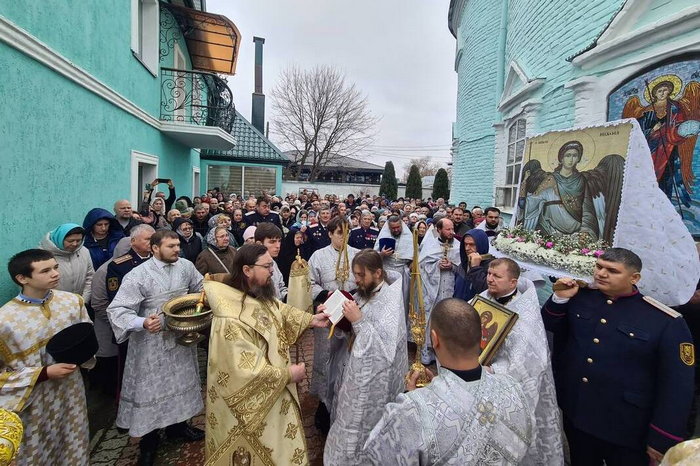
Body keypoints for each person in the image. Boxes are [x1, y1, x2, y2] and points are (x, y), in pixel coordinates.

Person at [542, 248, 695, 465]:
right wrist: (559, 298)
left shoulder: (664, 320)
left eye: (612, 271)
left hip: (627, 427)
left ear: (634, 278)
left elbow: (677, 386)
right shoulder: (582, 299)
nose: (601, 274)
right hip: (579, 414)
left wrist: (662, 438)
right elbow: (551, 326)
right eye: (599, 267)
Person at [361, 298, 533, 465]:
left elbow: (377, 456)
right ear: (481, 339)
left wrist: (415, 400)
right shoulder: (514, 388)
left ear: (434, 339)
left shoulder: (411, 410)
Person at [203, 244, 330, 465]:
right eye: (267, 266)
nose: (272, 271)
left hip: (275, 392)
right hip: (251, 409)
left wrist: (311, 320)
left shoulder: (256, 292)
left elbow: (277, 310)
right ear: (247, 270)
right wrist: (287, 374)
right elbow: (240, 372)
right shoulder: (229, 319)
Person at [107, 230, 205, 465]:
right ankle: (148, 443)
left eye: (178, 245)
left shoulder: (186, 266)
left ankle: (178, 428)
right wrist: (142, 322)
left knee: (181, 383)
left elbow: (201, 288)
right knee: (151, 391)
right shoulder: (137, 275)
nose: (177, 249)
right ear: (154, 248)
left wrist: (197, 311)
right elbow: (117, 310)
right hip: (151, 344)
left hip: (181, 339)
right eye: (171, 246)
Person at [0, 249, 92, 465]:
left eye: (55, 267)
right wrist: (43, 373)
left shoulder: (72, 302)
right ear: (22, 278)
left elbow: (85, 337)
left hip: (71, 391)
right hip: (32, 401)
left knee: (74, 442)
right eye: (46, 271)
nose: (55, 274)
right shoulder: (5, 321)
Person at [324, 249, 409, 464]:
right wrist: (337, 316)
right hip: (354, 371)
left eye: (362, 275)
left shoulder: (391, 302)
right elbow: (353, 329)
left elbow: (383, 351)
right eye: (356, 275)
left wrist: (358, 320)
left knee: (363, 425)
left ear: (378, 273)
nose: (357, 280)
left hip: (374, 385)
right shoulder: (366, 291)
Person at [479, 258, 564, 464]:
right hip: (480, 376)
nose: (490, 279)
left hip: (507, 382)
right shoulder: (482, 298)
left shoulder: (526, 311)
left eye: (497, 276)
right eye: (489, 274)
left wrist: (494, 370)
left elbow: (530, 360)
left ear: (513, 282)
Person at [308, 216, 359, 433]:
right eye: (339, 233)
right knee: (325, 359)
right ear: (330, 234)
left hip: (351, 318)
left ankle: (344, 405)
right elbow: (308, 283)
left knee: (347, 361)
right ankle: (323, 407)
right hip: (327, 317)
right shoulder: (318, 256)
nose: (343, 237)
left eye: (346, 233)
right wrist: (326, 294)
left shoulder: (357, 254)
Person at [523, 141, 599, 239]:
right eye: (568, 155)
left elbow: (587, 208)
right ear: (561, 159)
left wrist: (585, 230)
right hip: (551, 230)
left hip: (575, 233)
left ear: (578, 159)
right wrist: (524, 185)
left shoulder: (581, 180)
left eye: (575, 156)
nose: (571, 159)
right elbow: (534, 201)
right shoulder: (551, 179)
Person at [418, 219, 460, 364]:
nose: (451, 232)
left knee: (446, 319)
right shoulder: (430, 245)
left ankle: (443, 353)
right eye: (448, 229)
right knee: (431, 318)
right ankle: (427, 352)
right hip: (432, 288)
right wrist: (437, 265)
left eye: (452, 229)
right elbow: (422, 265)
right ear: (439, 230)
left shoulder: (458, 245)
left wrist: (452, 266)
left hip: (449, 286)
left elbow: (462, 267)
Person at [39, 223, 94, 301]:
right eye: (70, 241)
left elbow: (90, 277)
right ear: (59, 238)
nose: (75, 244)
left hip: (79, 302)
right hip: (53, 304)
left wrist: (83, 300)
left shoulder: (84, 251)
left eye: (78, 240)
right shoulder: (41, 256)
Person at [374, 215, 412, 318]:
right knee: (386, 301)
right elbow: (373, 256)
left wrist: (411, 265)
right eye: (393, 228)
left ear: (402, 225)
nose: (396, 230)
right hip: (386, 273)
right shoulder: (383, 236)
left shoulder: (409, 237)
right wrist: (382, 254)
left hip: (402, 274)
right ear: (389, 227)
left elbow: (415, 256)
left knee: (402, 301)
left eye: (398, 227)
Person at [454, 229, 492, 301]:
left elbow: (486, 292)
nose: (467, 248)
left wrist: (476, 268)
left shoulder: (491, 268)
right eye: (465, 244)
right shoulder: (461, 265)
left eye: (472, 244)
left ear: (481, 245)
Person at [254, 223, 287, 300]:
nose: (278, 246)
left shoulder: (273, 263)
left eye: (279, 241)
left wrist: (288, 296)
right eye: (272, 242)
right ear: (259, 243)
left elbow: (280, 287)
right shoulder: (253, 267)